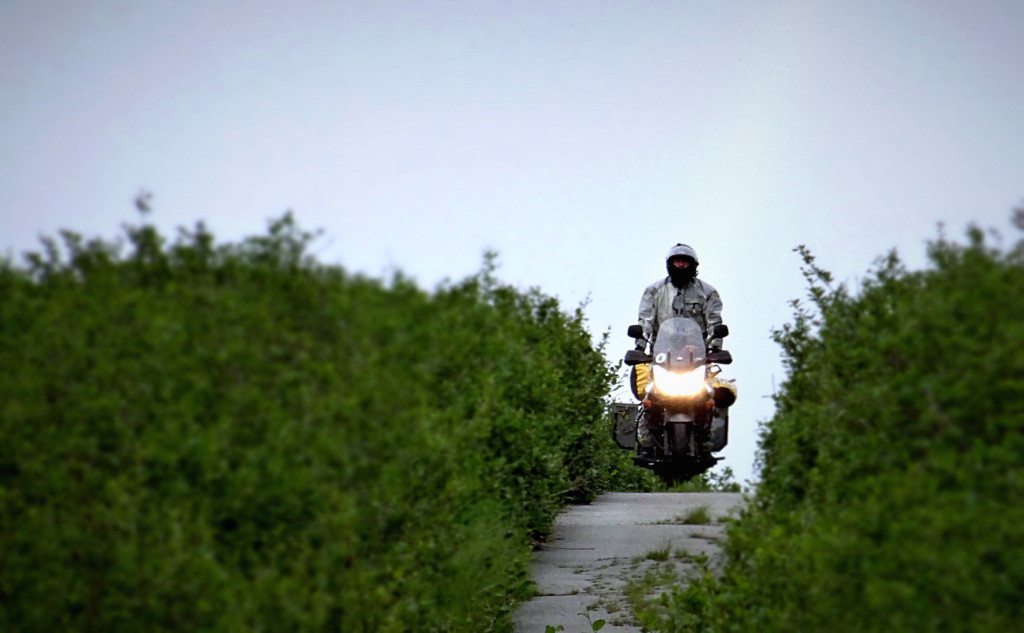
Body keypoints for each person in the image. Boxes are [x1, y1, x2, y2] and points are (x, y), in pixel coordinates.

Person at [633, 243, 725, 452]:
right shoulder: (654, 291)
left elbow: (714, 322)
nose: (680, 265)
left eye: (684, 262)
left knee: (709, 395)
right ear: (669, 265)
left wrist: (715, 348)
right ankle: (645, 441)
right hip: (662, 356)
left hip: (697, 356)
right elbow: (644, 321)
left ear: (693, 265)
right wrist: (639, 347)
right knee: (648, 395)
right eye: (676, 261)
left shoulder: (708, 292)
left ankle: (707, 435)